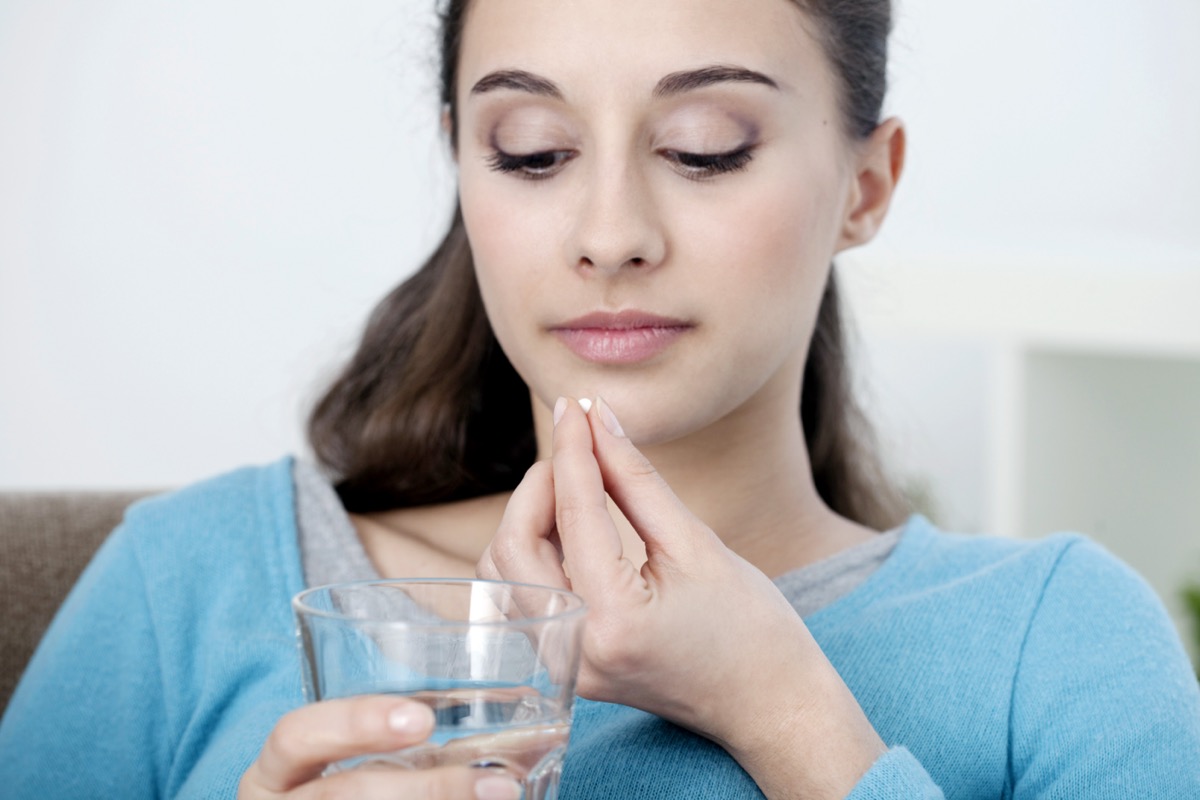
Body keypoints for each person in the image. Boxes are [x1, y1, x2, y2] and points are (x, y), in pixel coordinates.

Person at [2, 0, 1198, 797]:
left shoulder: (1060, 640)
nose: (611, 234)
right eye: (531, 150)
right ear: (464, 167)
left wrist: (786, 713)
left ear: (865, 185)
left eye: (706, 144)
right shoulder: (185, 583)